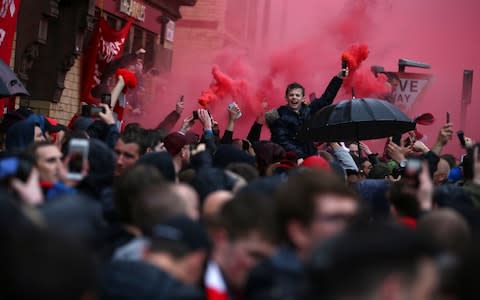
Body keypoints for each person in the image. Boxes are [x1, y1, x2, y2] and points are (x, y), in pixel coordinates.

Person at [266, 70, 346, 158]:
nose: (294, 97)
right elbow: (281, 140)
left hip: (311, 156)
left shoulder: (309, 110)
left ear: (302, 98)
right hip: (290, 159)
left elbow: (326, 99)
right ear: (286, 97)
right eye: (291, 95)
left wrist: (338, 78)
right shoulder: (279, 115)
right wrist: (300, 156)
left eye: (297, 95)